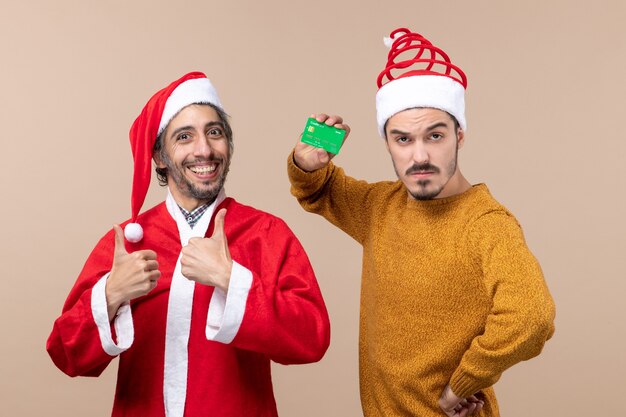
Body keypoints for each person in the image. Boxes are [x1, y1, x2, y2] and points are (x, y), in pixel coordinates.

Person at [287, 28, 555, 417]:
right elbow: (319, 192)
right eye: (403, 139)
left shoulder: (486, 224)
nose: (419, 156)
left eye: (434, 135)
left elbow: (532, 315)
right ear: (387, 143)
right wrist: (306, 164)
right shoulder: (380, 206)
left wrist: (464, 381)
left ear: (459, 135)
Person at [47, 72, 330, 417]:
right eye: (184, 136)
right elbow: (65, 353)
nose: (204, 149)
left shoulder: (265, 233)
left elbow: (312, 338)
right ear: (160, 157)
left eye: (215, 132)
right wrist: (111, 294)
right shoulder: (128, 242)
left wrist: (232, 279)